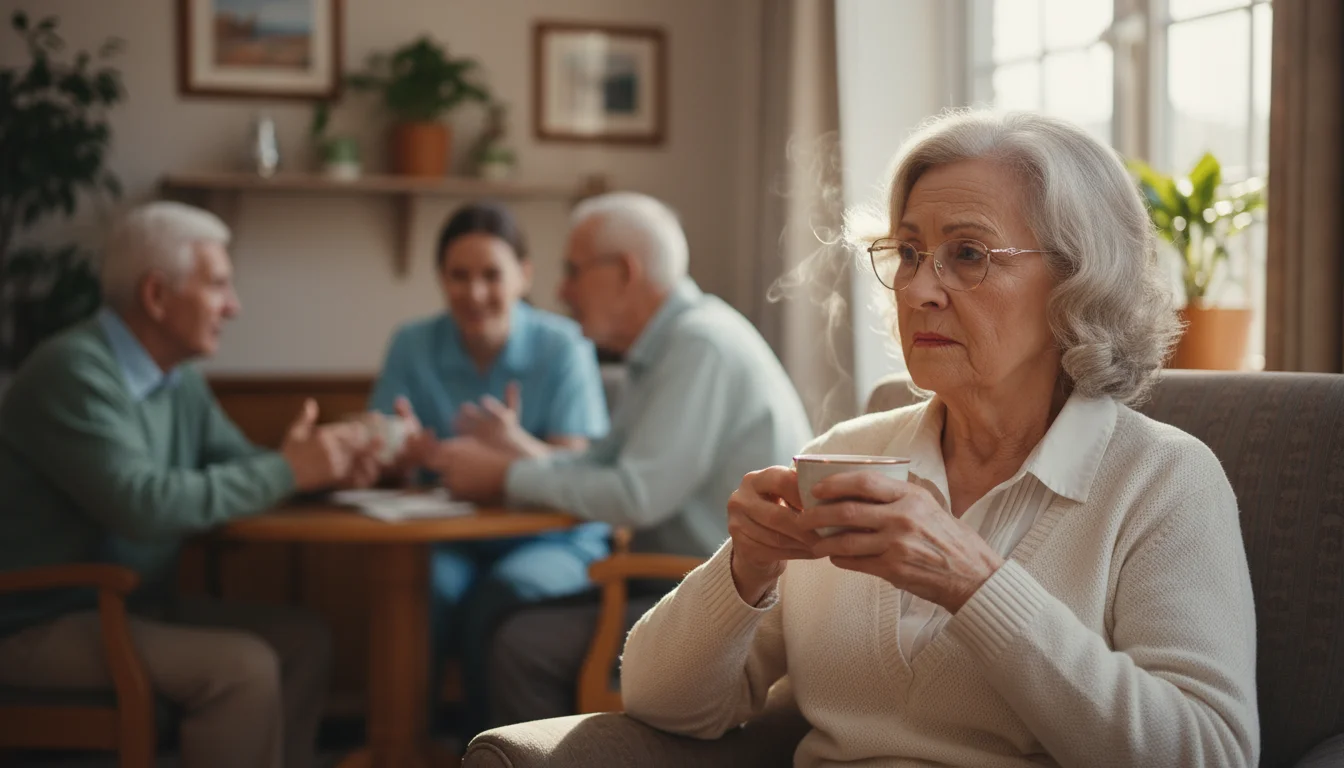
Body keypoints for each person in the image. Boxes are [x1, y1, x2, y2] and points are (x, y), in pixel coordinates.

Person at [618, 111, 1259, 767]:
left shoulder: (1162, 482)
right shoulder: (851, 455)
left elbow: (1206, 754)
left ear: (1078, 281)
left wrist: (978, 585)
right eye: (909, 253)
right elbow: (660, 703)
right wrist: (743, 571)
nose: (919, 288)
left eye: (969, 255)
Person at [0, 202, 396, 768]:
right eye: (218, 286)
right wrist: (290, 469)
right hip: (39, 622)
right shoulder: (72, 373)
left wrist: (322, 469)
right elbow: (141, 504)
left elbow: (240, 464)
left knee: (305, 640)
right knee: (242, 669)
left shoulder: (176, 380)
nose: (233, 307)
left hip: (130, 607)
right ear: (156, 296)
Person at [425, 192, 814, 730]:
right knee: (503, 610)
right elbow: (601, 464)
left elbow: (635, 496)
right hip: (675, 579)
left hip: (722, 598)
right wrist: (516, 454)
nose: (559, 290)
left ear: (625, 272)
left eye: (572, 271)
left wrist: (505, 474)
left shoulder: (698, 347)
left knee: (517, 643)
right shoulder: (668, 345)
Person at [368, 202, 611, 736]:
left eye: (490, 275)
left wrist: (512, 446)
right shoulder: (413, 343)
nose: (474, 293)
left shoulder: (563, 345)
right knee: (420, 591)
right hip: (448, 536)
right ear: (440, 279)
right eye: (458, 276)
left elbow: (580, 469)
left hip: (552, 539)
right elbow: (380, 452)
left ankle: (487, 751)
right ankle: (407, 744)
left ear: (524, 275)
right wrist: (399, 456)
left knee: (499, 596)